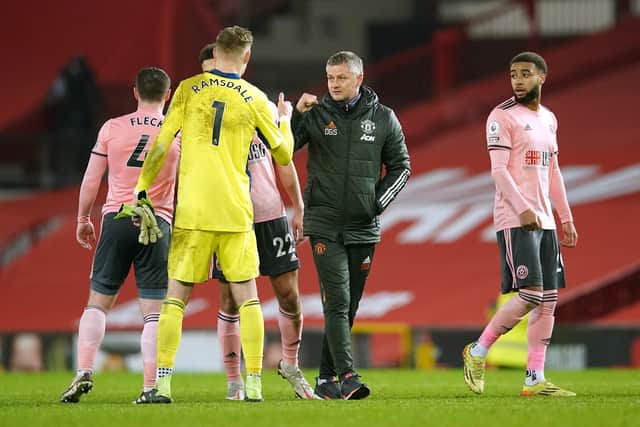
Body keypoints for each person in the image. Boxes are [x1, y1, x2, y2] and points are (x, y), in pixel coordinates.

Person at [133, 26, 294, 403]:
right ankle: (253, 385)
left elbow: (160, 144)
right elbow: (284, 154)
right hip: (236, 212)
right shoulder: (254, 97)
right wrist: (284, 120)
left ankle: (163, 385)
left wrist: (142, 187)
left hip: (192, 211)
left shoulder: (188, 89)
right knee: (249, 299)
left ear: (216, 53)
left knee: (175, 300)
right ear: (246, 58)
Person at [199, 43, 315, 400]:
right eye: (205, 73)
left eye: (214, 69)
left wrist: (297, 205)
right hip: (229, 217)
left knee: (289, 295)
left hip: (268, 213)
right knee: (230, 301)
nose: (211, 77)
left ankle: (291, 366)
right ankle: (235, 380)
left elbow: (282, 158)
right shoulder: (197, 111)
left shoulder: (258, 103)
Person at [292, 51, 411, 400]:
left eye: (341, 77)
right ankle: (347, 375)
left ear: (359, 79)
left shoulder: (385, 118)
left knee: (351, 305)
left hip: (363, 226)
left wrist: (375, 203)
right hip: (324, 223)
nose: (334, 84)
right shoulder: (316, 115)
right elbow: (284, 151)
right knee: (338, 300)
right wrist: (294, 119)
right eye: (330, 78)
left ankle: (326, 378)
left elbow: (402, 167)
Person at [60, 67, 179, 403]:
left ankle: (83, 371)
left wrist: (83, 217)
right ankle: (149, 387)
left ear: (135, 92)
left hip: (116, 217)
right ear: (167, 95)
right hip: (156, 223)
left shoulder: (113, 128)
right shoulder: (177, 133)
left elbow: (91, 179)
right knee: (154, 312)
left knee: (98, 303)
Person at [462, 51, 578, 397]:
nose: (518, 80)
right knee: (529, 294)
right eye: (513, 74)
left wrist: (566, 216)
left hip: (544, 222)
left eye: (525, 74)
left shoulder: (549, 119)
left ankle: (535, 379)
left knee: (549, 299)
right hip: (516, 218)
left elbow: (553, 172)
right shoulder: (501, 117)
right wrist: (523, 208)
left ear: (542, 77)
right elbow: (498, 171)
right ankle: (477, 350)